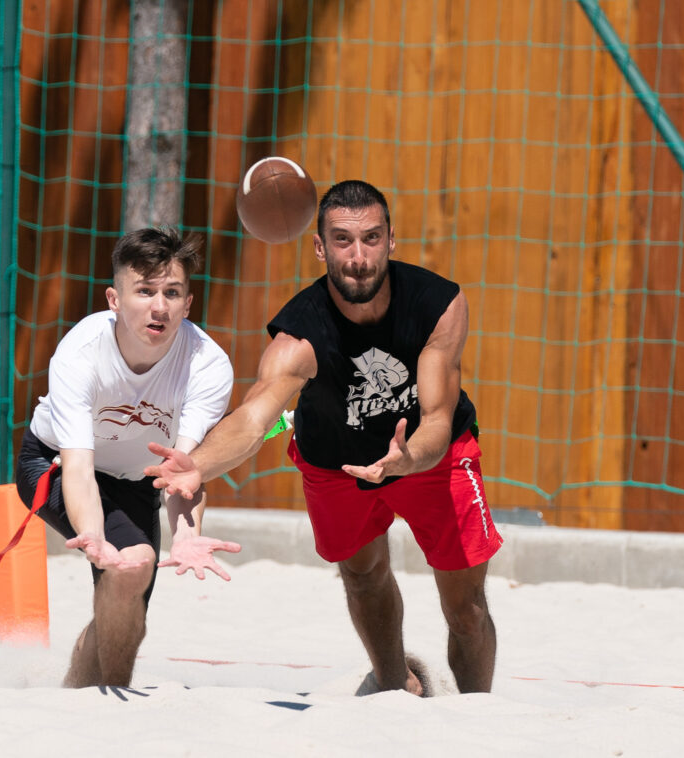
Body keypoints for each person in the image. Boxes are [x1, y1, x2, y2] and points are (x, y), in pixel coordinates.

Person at [145, 181, 503, 696]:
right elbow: (253, 418)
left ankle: (476, 715)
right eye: (342, 241)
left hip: (430, 458)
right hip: (335, 462)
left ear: (391, 240)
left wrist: (408, 459)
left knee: (466, 605)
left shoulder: (437, 304)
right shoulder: (299, 336)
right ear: (320, 248)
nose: (358, 257)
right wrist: (198, 465)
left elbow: (439, 420)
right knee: (361, 574)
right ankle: (391, 682)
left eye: (371, 239)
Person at [14, 227, 240, 688]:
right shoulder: (80, 354)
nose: (160, 307)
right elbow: (78, 468)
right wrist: (93, 533)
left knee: (127, 604)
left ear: (188, 304)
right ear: (114, 300)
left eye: (172, 292)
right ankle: (106, 698)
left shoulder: (208, 365)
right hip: (57, 465)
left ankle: (83, 693)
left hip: (140, 478)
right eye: (145, 291)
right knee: (130, 564)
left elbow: (183, 471)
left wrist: (186, 533)